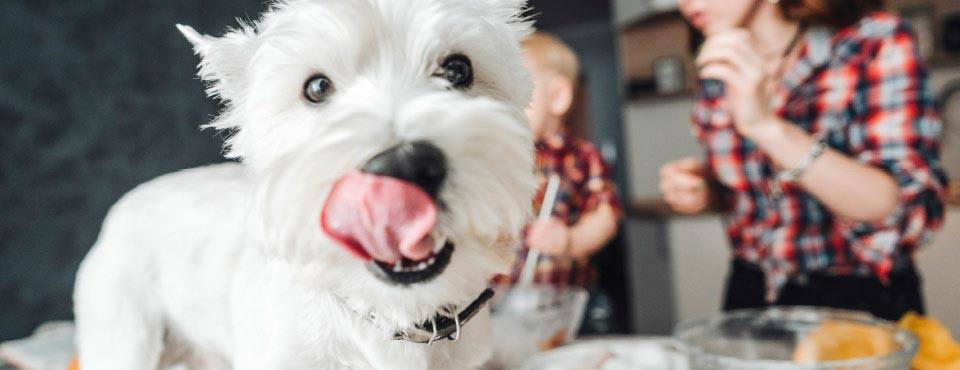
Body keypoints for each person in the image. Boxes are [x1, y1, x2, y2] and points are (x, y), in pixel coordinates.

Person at [661, 0, 947, 321]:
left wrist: (767, 127)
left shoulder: (872, 42)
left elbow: (901, 208)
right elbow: (760, 191)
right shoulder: (721, 59)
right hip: (751, 291)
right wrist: (708, 190)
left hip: (858, 297)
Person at [495, 32, 621, 288]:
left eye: (516, 97)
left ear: (557, 96)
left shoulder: (581, 156)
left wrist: (571, 241)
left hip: (560, 296)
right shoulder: (496, 156)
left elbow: (607, 215)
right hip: (499, 296)